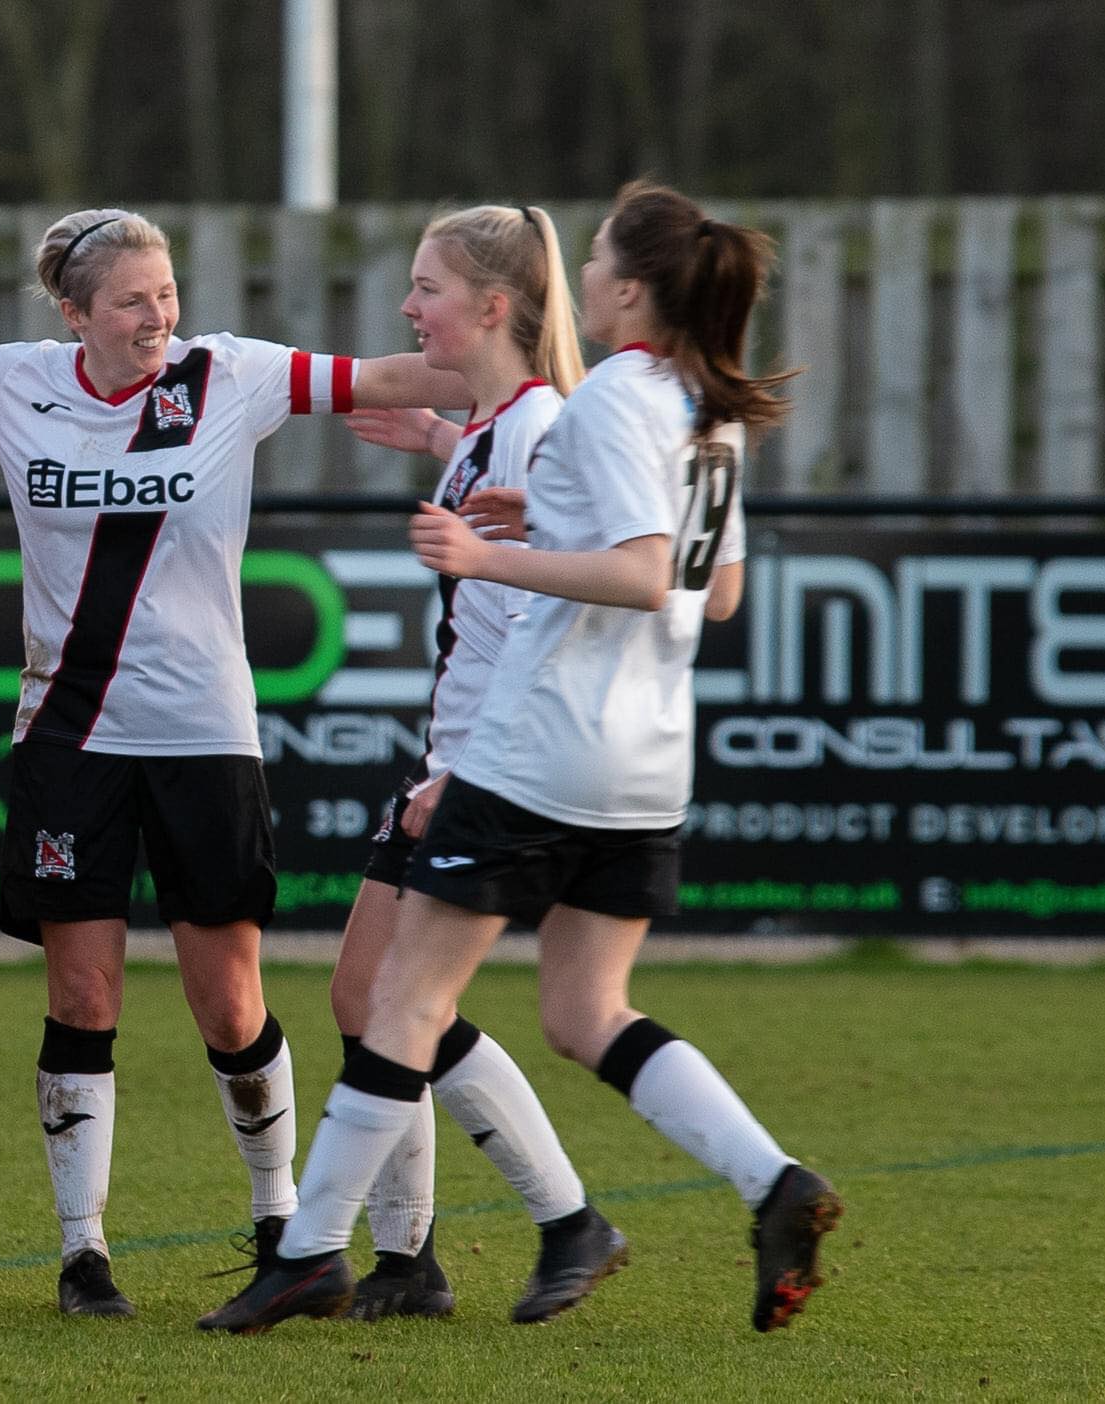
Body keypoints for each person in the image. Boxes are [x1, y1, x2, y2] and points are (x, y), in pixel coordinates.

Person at [202, 181, 843, 1336]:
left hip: (538, 746)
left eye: (595, 257)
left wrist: (487, 557)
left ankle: (312, 1253)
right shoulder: (705, 409)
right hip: (645, 760)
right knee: (582, 1010)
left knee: (399, 1001)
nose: (578, 273)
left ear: (627, 289)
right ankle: (771, 1182)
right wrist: (542, 521)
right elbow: (712, 590)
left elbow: (641, 573)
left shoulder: (602, 402)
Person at [0, 207, 481, 1319]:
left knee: (230, 1007)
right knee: (81, 994)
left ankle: (277, 1223)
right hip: (67, 737)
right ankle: (82, 1254)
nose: (157, 317)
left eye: (166, 294)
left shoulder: (229, 375)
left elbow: (395, 376)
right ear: (74, 315)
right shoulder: (4, 383)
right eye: (130, 302)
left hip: (203, 734)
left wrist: (522, 360)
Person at [325, 204, 626, 1324]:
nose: (408, 308)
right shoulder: (499, 429)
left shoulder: (538, 429)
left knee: (390, 997)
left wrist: (469, 773)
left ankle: (553, 1223)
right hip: (454, 758)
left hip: (479, 766)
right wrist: (437, 442)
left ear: (493, 307)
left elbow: (548, 626)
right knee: (373, 996)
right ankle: (410, 1260)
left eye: (427, 288)